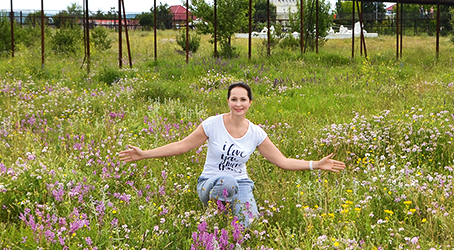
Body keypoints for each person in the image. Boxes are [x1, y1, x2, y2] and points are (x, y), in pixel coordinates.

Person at [119, 82, 345, 228]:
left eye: (243, 99)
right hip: (209, 183)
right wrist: (145, 154)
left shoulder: (256, 132)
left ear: (250, 103)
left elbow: (282, 161)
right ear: (228, 101)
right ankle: (218, 212)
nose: (238, 104)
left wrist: (316, 164)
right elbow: (181, 146)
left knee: (250, 225)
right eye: (234, 99)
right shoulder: (213, 124)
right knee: (226, 181)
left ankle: (226, 217)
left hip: (242, 184)